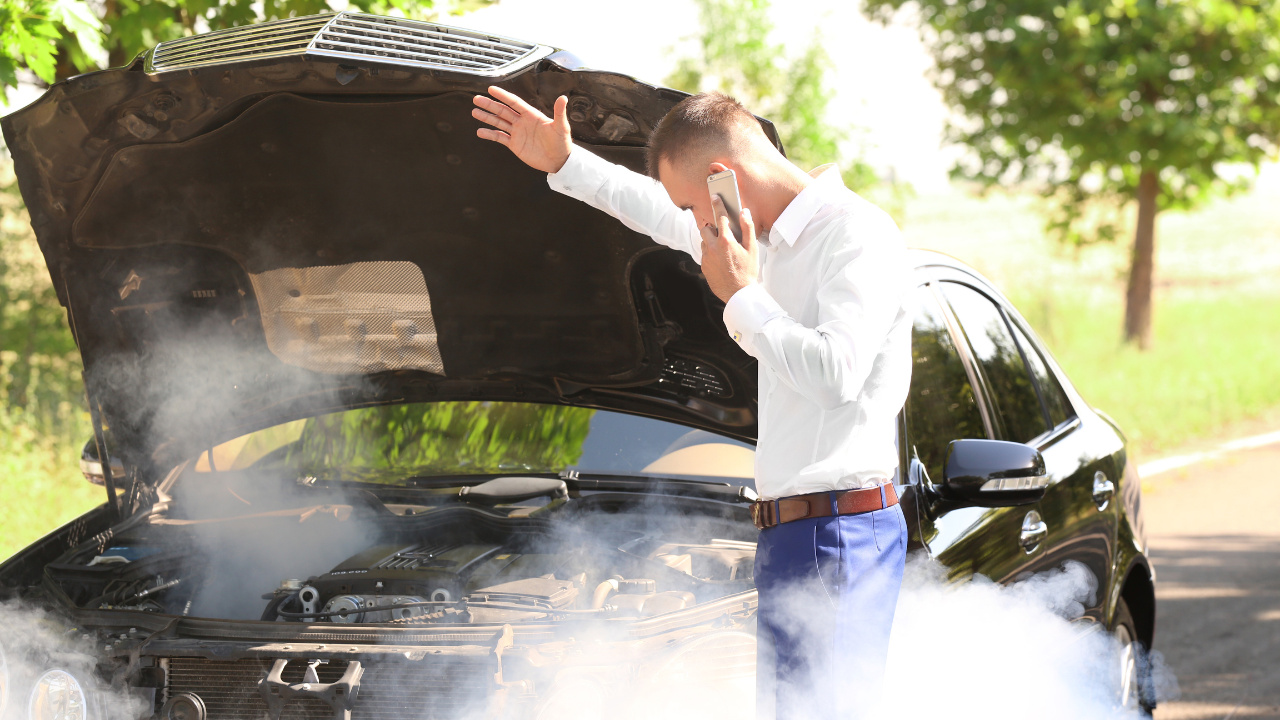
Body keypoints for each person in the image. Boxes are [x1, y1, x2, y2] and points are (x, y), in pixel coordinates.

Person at [473, 86, 913, 720]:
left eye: (693, 204)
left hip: (840, 532)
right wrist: (566, 163)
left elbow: (835, 375)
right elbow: (652, 210)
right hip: (794, 533)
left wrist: (743, 297)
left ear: (721, 177)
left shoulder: (856, 235)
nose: (693, 222)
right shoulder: (756, 235)